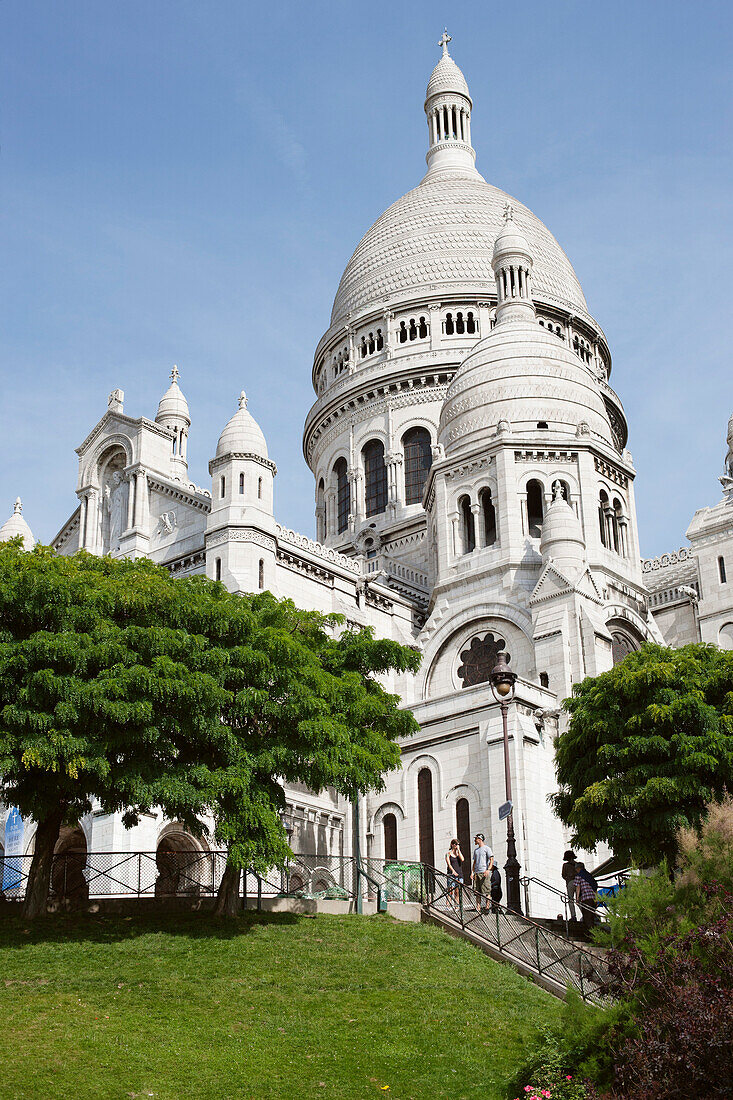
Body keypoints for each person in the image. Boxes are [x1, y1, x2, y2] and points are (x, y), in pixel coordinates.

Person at [471, 833, 494, 913]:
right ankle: (478, 907)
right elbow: (474, 862)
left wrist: (488, 869)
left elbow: (491, 859)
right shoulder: (476, 851)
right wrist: (472, 872)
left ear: (480, 839)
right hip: (477, 873)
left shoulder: (487, 848)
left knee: (487, 891)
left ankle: (487, 907)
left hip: (484, 872)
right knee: (477, 891)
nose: (475, 840)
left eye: (476, 839)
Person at [574, 861, 598, 930]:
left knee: (587, 917)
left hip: (586, 898)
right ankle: (594, 932)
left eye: (576, 869)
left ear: (578, 868)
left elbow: (578, 887)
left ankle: (590, 933)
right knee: (591, 916)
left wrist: (577, 898)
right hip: (592, 898)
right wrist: (596, 899)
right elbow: (595, 887)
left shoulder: (578, 876)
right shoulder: (589, 876)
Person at [445, 838, 464, 906]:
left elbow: (462, 859)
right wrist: (453, 871)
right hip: (451, 874)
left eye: (458, 844)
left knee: (457, 891)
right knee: (450, 891)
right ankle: (448, 905)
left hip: (459, 874)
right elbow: (449, 864)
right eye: (455, 844)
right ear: (452, 844)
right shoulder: (448, 854)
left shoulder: (458, 853)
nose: (456, 845)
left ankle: (457, 905)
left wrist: (458, 850)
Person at [562, 849, 578, 921]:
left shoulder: (565, 865)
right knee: (580, 899)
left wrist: (568, 879)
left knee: (570, 900)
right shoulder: (578, 865)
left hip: (570, 882)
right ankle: (585, 914)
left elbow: (563, 875)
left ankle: (573, 916)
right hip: (579, 883)